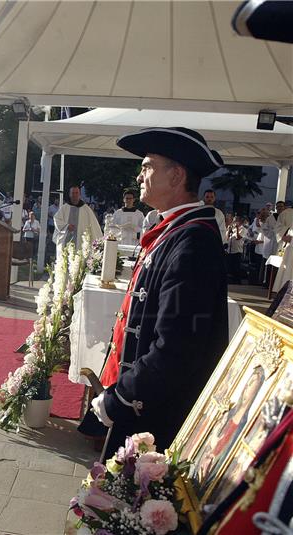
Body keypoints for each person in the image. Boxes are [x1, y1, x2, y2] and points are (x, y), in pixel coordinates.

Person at [84, 126, 228, 458]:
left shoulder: (193, 242)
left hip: (158, 417)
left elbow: (177, 347)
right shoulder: (177, 231)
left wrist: (120, 397)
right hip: (144, 408)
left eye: (147, 166)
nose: (139, 177)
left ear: (177, 176)